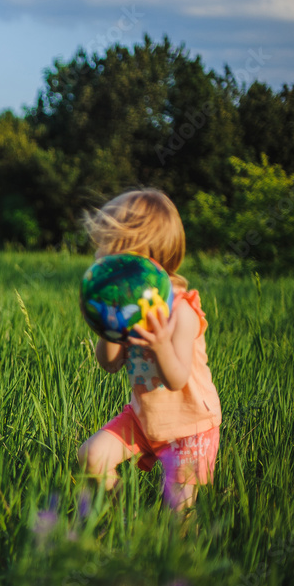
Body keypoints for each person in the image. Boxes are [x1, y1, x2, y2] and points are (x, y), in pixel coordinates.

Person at [77, 189, 222, 509]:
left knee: (176, 511)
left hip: (190, 427)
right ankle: (119, 516)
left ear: (137, 258)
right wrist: (108, 328)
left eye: (106, 249)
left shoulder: (180, 311)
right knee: (92, 455)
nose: (98, 257)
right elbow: (109, 364)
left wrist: (159, 344)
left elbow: (176, 378)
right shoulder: (131, 305)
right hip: (145, 418)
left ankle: (175, 555)